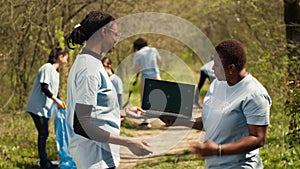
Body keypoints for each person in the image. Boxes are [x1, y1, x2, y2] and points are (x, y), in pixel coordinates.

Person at [163, 39, 272, 169]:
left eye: (216, 65)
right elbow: (209, 122)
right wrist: (179, 120)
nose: (212, 68)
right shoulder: (217, 84)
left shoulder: (254, 95)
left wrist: (218, 150)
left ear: (231, 68)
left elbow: (258, 138)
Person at [65, 10, 152, 169]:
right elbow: (81, 124)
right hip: (94, 157)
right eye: (116, 34)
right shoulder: (88, 69)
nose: (117, 40)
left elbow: (94, 110)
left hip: (100, 156)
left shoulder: (91, 62)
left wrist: (124, 112)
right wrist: (129, 142)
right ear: (103, 32)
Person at [26, 47, 68, 169]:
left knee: (44, 133)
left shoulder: (56, 73)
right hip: (37, 107)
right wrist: (57, 101)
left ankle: (45, 162)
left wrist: (60, 103)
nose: (67, 60)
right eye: (66, 57)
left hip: (46, 109)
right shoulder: (47, 68)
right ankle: (44, 163)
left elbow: (54, 92)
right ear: (60, 57)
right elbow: (45, 88)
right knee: (43, 133)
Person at [133, 37, 162, 128]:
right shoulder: (153, 50)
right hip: (156, 76)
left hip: (145, 77)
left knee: (145, 99)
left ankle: (146, 120)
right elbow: (159, 60)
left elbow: (137, 69)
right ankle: (168, 118)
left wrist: (136, 76)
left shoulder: (138, 54)